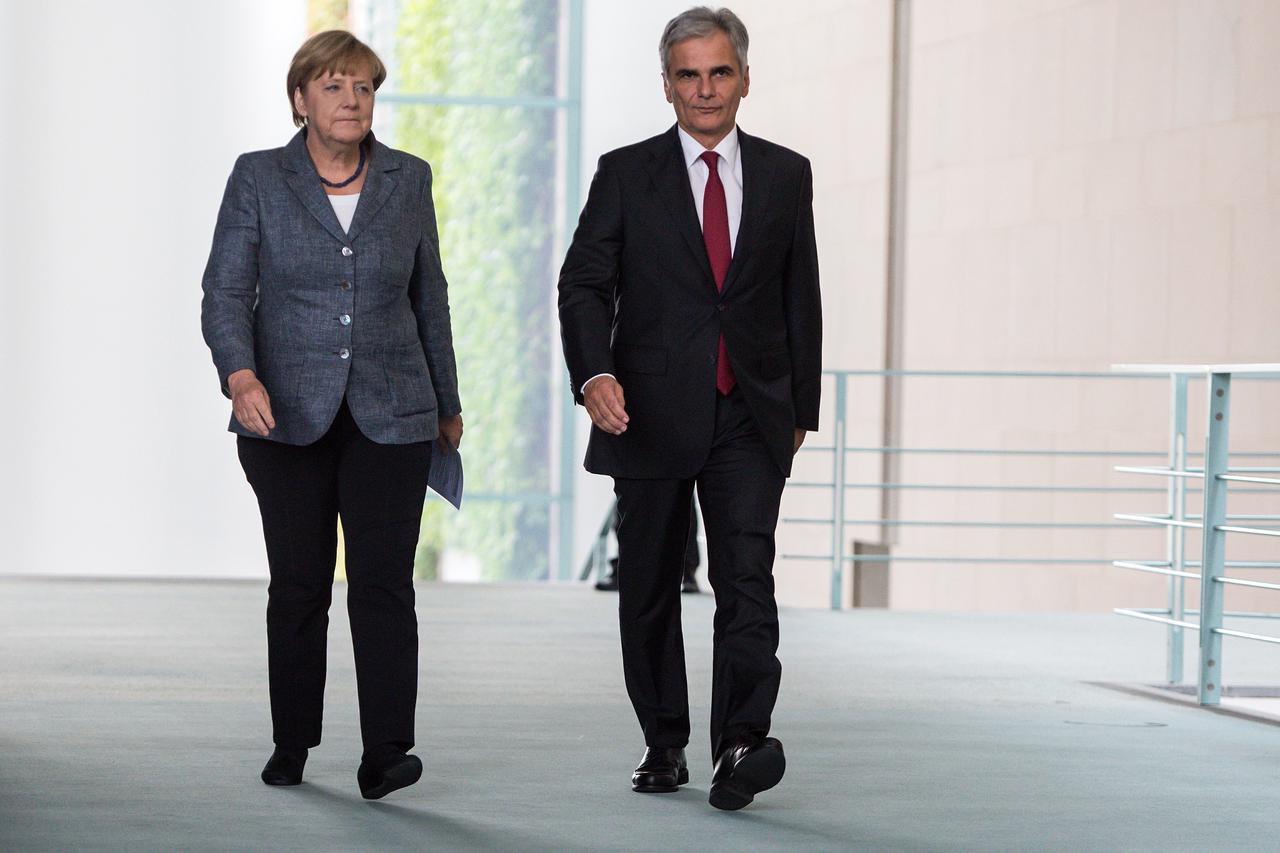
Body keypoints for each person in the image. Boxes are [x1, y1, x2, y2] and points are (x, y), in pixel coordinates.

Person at [557, 6, 821, 811]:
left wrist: (799, 405)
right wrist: (593, 374)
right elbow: (583, 284)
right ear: (667, 85)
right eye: (688, 75)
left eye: (719, 72)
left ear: (744, 77)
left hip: (749, 412)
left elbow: (799, 293)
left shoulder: (784, 172)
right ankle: (664, 737)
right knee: (649, 582)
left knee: (748, 575)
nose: (705, 90)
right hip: (645, 410)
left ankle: (741, 740)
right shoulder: (625, 172)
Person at [200, 30, 462, 800]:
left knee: (384, 585)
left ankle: (387, 751)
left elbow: (431, 298)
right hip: (284, 414)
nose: (352, 101)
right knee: (301, 583)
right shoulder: (258, 178)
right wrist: (238, 373)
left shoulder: (408, 180)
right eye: (335, 86)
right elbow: (223, 291)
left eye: (365, 88)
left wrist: (448, 403)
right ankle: (292, 740)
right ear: (300, 99)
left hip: (394, 410)